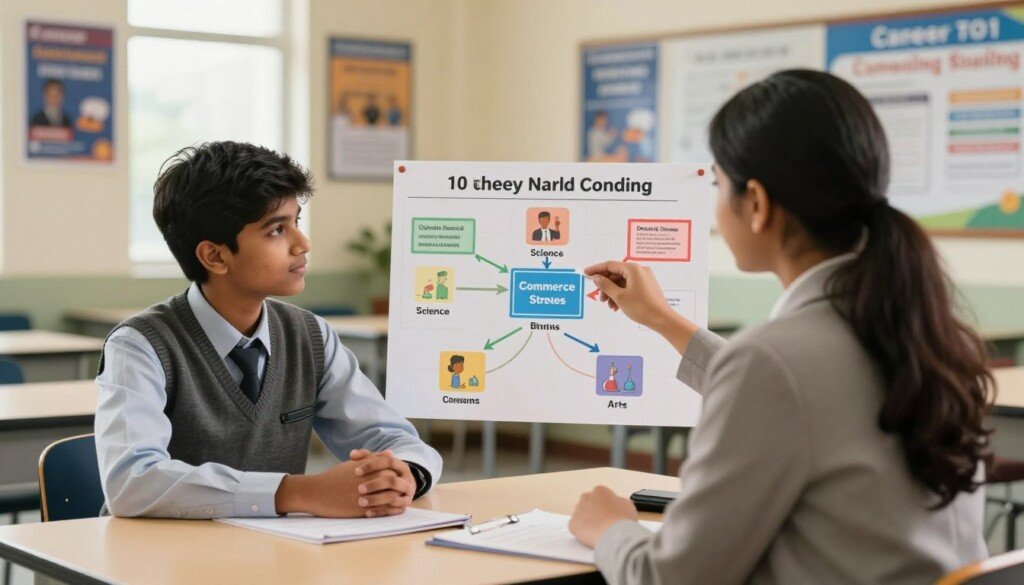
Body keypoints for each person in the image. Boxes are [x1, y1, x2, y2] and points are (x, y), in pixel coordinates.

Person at [569, 70, 994, 584]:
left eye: (718, 183)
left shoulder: (774, 364)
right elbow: (803, 395)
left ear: (757, 203)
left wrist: (612, 529)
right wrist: (661, 319)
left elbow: (668, 579)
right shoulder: (925, 331)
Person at [95, 141, 441, 520]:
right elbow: (131, 483)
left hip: (274, 555)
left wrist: (404, 472)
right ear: (215, 256)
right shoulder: (140, 346)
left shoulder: (311, 336)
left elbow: (391, 436)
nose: (302, 244)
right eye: (277, 230)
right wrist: (296, 492)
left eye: (297, 222)